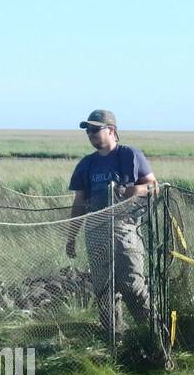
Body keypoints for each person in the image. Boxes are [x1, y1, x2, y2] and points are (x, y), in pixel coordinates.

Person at [64, 109, 160, 343]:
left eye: (95, 129)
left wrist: (136, 190)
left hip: (124, 231)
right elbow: (78, 202)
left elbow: (154, 187)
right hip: (95, 234)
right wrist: (71, 237)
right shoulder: (86, 164)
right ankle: (115, 340)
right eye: (88, 130)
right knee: (104, 292)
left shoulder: (129, 155)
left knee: (133, 286)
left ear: (111, 130)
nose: (90, 134)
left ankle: (154, 337)